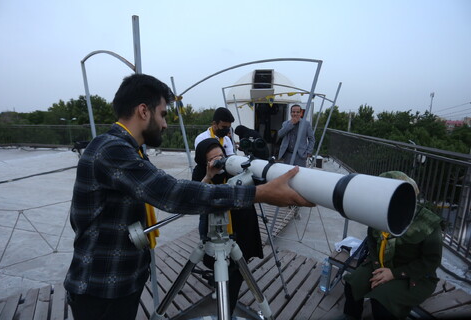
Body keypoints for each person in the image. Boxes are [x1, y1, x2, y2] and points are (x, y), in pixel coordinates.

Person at [63, 73, 312, 320]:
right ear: (143, 111)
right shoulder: (112, 150)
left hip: (120, 279)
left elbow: (165, 190)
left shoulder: (129, 149)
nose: (165, 124)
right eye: (162, 114)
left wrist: (209, 180)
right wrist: (260, 193)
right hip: (101, 287)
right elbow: (171, 193)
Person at [342, 171, 443, 320]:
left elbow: (431, 261)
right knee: (353, 284)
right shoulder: (379, 212)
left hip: (414, 275)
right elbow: (372, 241)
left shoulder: (427, 223)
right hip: (381, 264)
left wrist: (393, 274)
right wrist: (378, 268)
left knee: (381, 300)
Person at [193, 138, 263, 316]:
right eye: (213, 159)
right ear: (204, 162)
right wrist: (209, 176)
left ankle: (228, 310)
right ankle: (222, 291)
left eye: (221, 156)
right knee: (219, 265)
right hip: (215, 229)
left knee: (238, 269)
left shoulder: (233, 168)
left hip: (242, 225)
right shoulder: (200, 172)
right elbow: (194, 199)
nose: (220, 161)